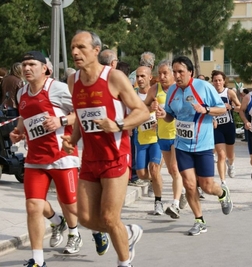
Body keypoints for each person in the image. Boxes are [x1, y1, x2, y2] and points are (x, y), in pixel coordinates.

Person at [62, 30, 149, 267]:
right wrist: (72, 139)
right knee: (86, 218)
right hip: (90, 158)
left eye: (81, 47)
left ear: (96, 50)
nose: (75, 52)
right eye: (72, 48)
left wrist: (118, 124)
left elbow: (142, 112)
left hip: (116, 155)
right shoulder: (73, 81)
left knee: (110, 217)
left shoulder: (114, 77)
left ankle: (124, 262)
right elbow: (81, 117)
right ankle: (127, 233)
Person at [10, 51, 81, 267]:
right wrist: (18, 132)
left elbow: (81, 113)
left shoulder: (58, 89)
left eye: (32, 64)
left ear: (45, 68)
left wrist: (60, 120)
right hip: (35, 159)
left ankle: (75, 231)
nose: (27, 68)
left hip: (62, 156)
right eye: (24, 64)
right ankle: (38, 260)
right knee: (33, 206)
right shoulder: (21, 92)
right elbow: (25, 118)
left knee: (70, 203)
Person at [158, 55, 233, 236]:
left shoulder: (204, 87)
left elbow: (222, 108)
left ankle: (222, 193)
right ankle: (199, 220)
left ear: (190, 72)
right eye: (174, 72)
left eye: (180, 72)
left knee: (206, 186)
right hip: (182, 145)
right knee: (190, 186)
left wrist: (205, 110)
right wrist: (163, 114)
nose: (177, 76)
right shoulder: (172, 92)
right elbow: (170, 116)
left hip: (203, 145)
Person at [143, 59, 188, 219]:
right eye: (159, 73)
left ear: (172, 73)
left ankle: (175, 205)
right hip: (161, 135)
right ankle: (182, 191)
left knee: (175, 169)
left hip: (178, 134)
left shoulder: (180, 90)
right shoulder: (155, 90)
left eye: (165, 73)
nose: (161, 76)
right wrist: (151, 108)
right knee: (170, 170)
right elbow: (143, 108)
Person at [133, 66, 164, 215]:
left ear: (150, 77)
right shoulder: (132, 96)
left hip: (156, 139)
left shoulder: (156, 94)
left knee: (154, 169)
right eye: (138, 76)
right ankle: (155, 180)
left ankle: (158, 203)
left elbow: (166, 114)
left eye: (143, 76)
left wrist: (160, 121)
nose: (139, 79)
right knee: (141, 174)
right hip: (141, 139)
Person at [211, 70, 241, 184]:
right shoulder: (210, 93)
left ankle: (231, 164)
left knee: (230, 155)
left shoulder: (229, 93)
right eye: (215, 80)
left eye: (220, 80)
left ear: (224, 81)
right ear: (212, 82)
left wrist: (231, 107)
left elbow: (240, 107)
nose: (218, 83)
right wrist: (212, 117)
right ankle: (223, 181)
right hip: (217, 127)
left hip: (228, 126)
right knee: (221, 154)